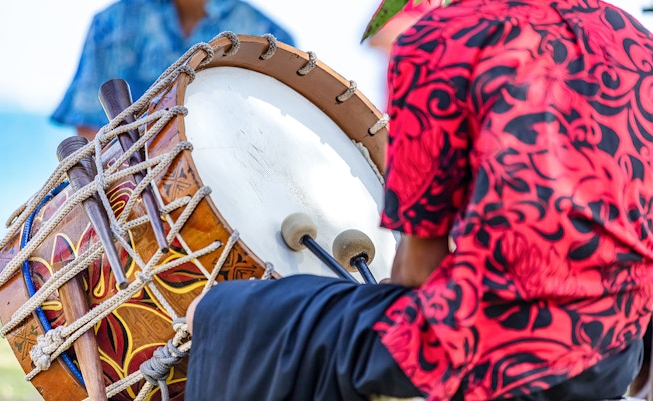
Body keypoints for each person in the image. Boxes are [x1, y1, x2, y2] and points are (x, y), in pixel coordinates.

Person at [184, 0, 653, 400]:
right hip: (616, 349)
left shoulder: (440, 41)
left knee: (231, 312)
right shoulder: (634, 38)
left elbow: (416, 273)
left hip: (491, 348)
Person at [51, 0, 295, 140]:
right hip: (129, 189)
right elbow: (91, 130)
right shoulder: (112, 23)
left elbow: (273, 138)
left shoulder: (268, 37)